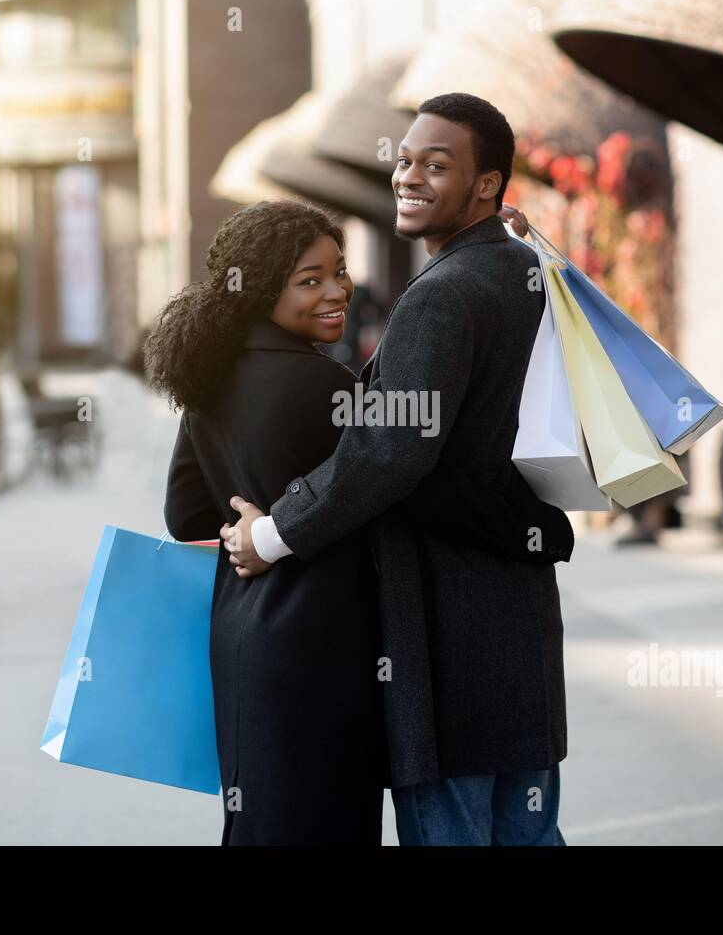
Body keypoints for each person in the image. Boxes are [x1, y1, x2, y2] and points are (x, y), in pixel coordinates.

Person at [151, 199, 567, 845]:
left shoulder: (207, 381)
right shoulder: (328, 388)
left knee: (260, 822)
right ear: (263, 289)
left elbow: (185, 514)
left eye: (338, 272)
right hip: (323, 643)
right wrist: (539, 529)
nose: (337, 291)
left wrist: (252, 517)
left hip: (241, 637)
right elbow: (410, 484)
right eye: (309, 279)